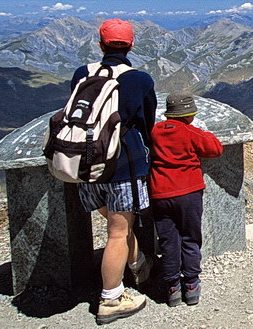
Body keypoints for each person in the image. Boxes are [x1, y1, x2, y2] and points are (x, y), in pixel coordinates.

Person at [72, 18, 157, 325]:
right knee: (118, 232)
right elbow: (148, 125)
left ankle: (139, 265)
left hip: (87, 165)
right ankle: (111, 297)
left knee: (116, 225)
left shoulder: (83, 73)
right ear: (131, 45)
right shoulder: (140, 80)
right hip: (123, 167)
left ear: (100, 45)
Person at [148, 92, 223, 307]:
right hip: (188, 193)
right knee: (190, 236)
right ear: (189, 114)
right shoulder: (190, 131)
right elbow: (215, 149)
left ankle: (172, 287)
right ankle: (191, 285)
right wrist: (204, 133)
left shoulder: (154, 131)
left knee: (168, 240)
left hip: (160, 193)